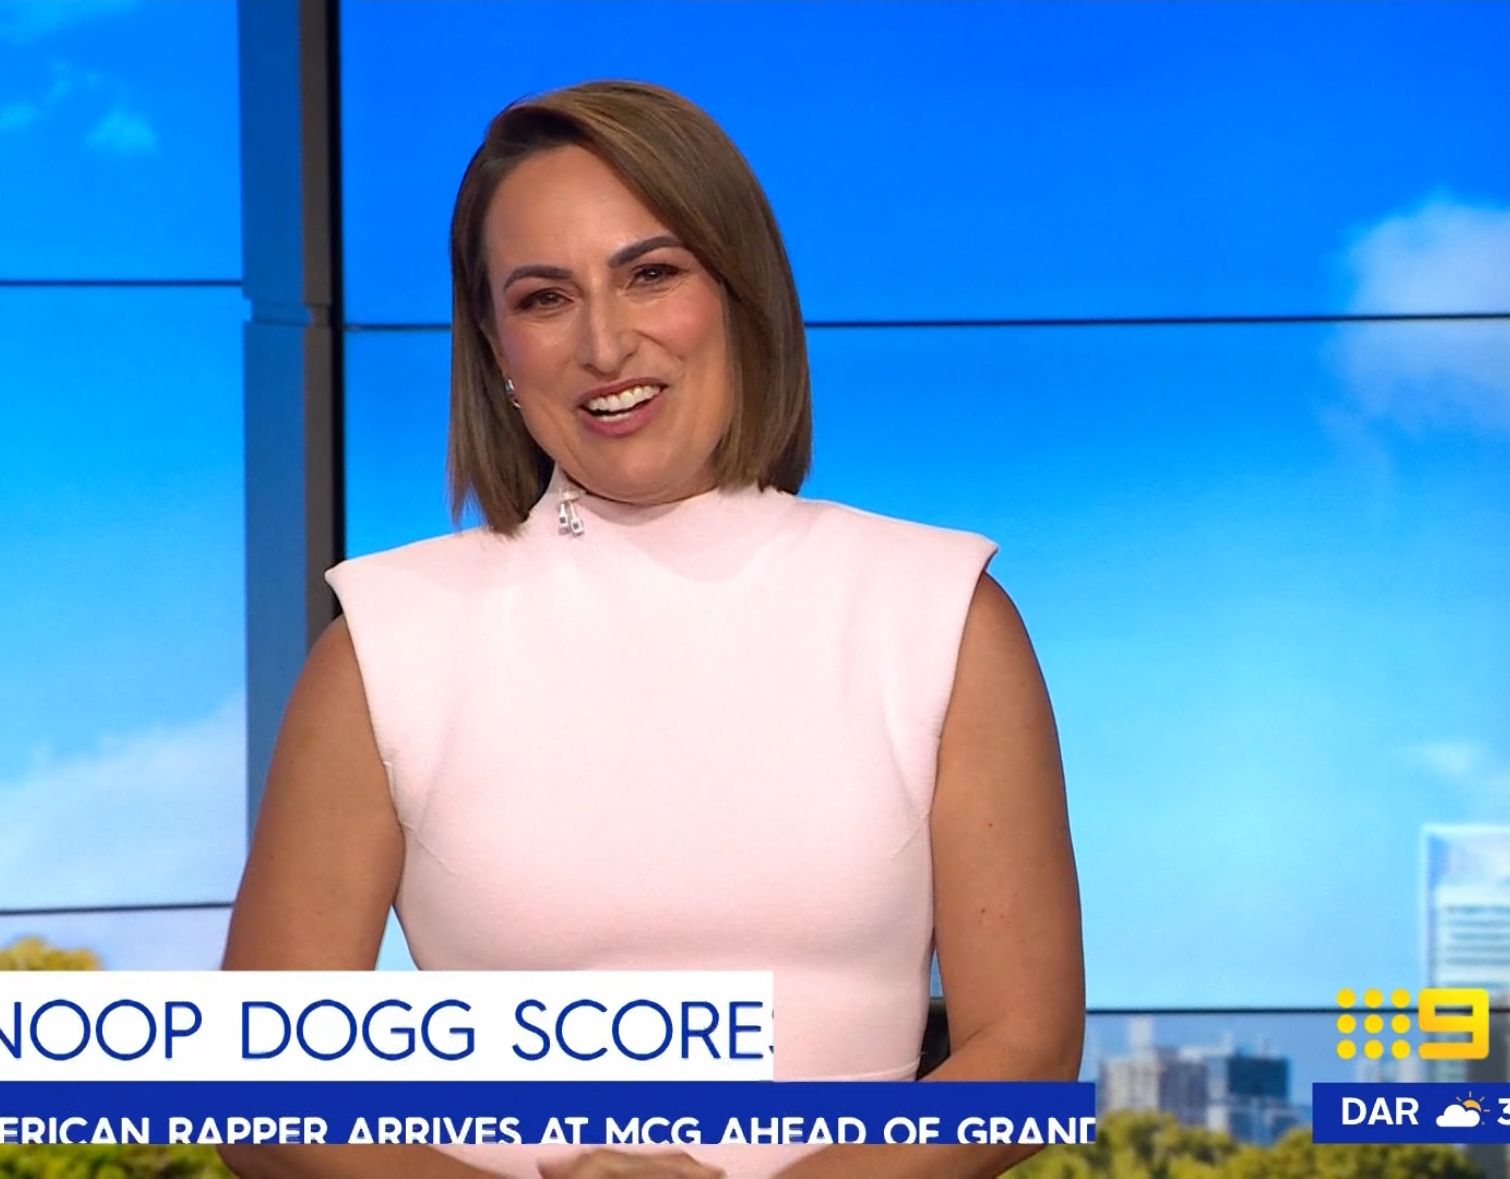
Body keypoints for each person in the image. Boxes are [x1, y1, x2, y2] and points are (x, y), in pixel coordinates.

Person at [221, 80, 1084, 1179]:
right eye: (544, 298)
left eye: (651, 274)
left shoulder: (938, 612)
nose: (605, 342)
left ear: (737, 290)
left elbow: (1023, 1055)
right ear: (495, 347)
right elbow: (257, 1091)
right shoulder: (387, 644)